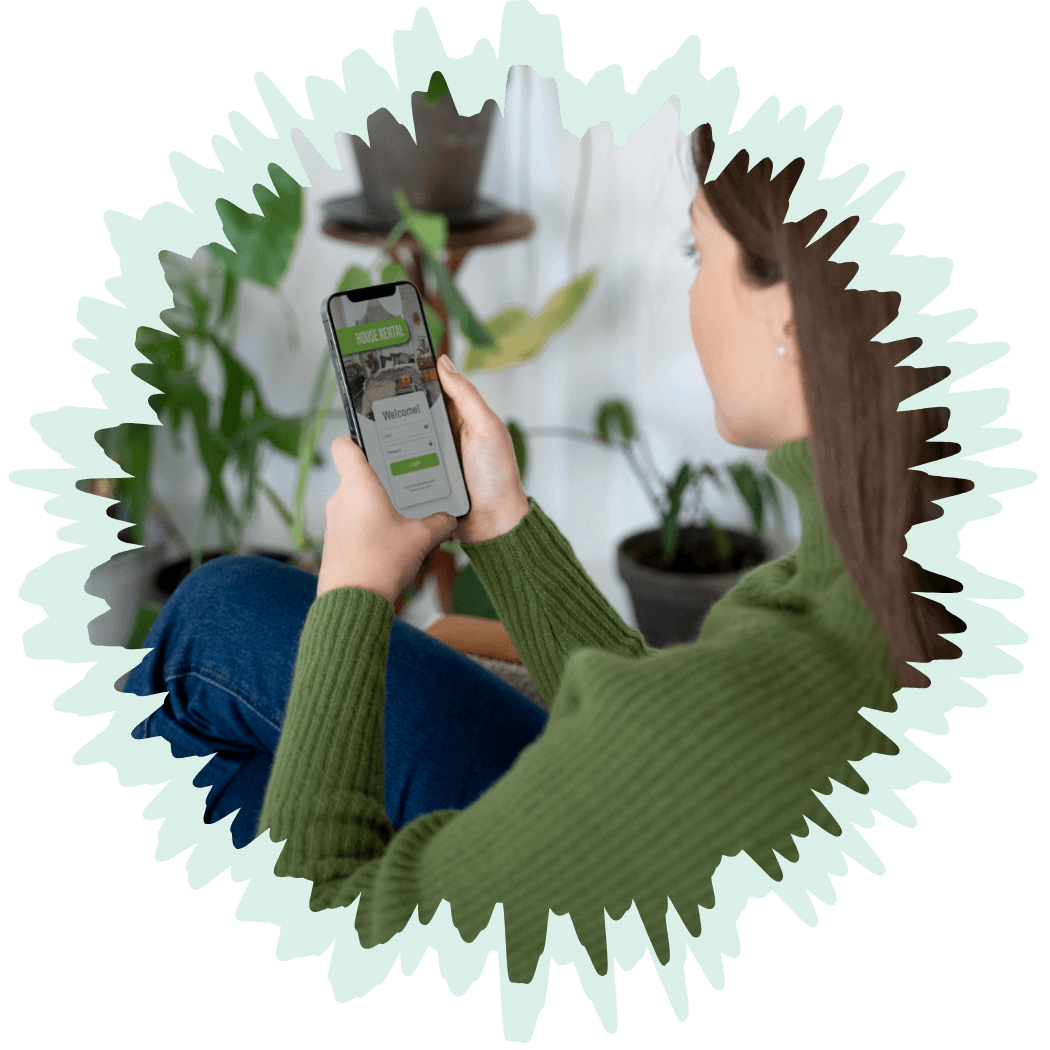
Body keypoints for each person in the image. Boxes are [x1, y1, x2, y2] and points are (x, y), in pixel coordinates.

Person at [124, 123, 966, 984]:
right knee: (220, 608)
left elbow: (324, 927)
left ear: (787, 312)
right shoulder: (899, 567)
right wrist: (501, 522)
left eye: (696, 251)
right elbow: (660, 744)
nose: (692, 290)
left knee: (201, 716)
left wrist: (355, 586)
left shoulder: (763, 698)